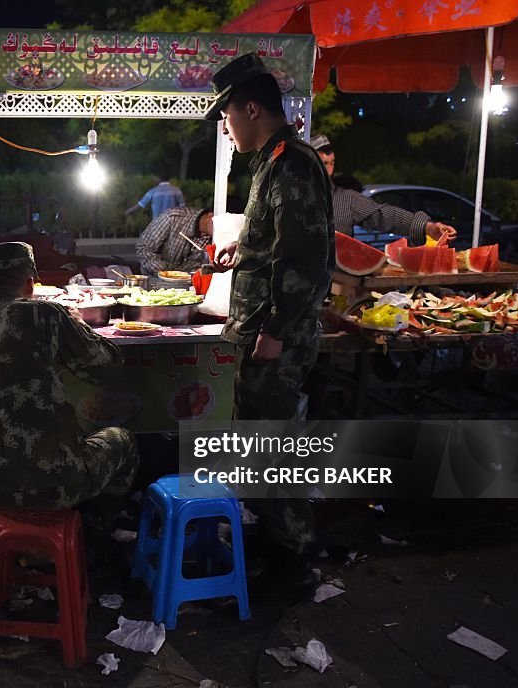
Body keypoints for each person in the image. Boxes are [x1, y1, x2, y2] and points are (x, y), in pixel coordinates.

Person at [205, 53, 333, 582]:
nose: (227, 127)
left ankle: (293, 553)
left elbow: (304, 259)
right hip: (261, 330)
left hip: (275, 336)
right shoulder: (274, 163)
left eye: (228, 116)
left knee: (273, 443)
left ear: (251, 108)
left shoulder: (292, 163)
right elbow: (279, 241)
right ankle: (273, 537)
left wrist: (276, 332)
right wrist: (246, 246)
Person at [0, 241, 139, 512]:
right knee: (124, 440)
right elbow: (106, 368)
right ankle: (102, 521)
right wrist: (79, 326)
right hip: (63, 482)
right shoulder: (48, 315)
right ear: (30, 284)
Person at [309, 134, 457, 244]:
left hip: (337, 281)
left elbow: (385, 214)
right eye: (323, 163)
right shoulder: (289, 195)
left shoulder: (345, 199)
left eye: (331, 163)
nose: (328, 171)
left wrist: (427, 227)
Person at [135, 207, 214, 276]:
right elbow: (143, 248)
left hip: (186, 285)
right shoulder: (173, 217)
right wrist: (166, 273)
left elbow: (198, 268)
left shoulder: (213, 240)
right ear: (210, 216)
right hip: (153, 278)